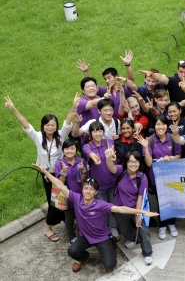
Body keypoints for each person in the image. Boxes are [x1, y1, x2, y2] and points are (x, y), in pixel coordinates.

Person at [31, 166, 158, 273]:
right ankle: (84, 258)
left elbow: (122, 209)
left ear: (95, 192)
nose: (88, 191)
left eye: (91, 189)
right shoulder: (75, 198)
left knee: (110, 266)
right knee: (72, 251)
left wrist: (142, 212)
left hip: (101, 236)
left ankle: (111, 241)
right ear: (82, 189)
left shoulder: (101, 205)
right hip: (85, 236)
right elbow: (59, 184)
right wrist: (45, 172)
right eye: (86, 188)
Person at [4, 94, 78, 242]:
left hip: (61, 174)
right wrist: (14, 109)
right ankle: (48, 228)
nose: (50, 127)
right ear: (43, 126)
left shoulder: (61, 136)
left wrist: (74, 105)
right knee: (54, 202)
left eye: (53, 124)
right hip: (47, 175)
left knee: (64, 199)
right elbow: (25, 124)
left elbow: (68, 122)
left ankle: (66, 221)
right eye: (47, 125)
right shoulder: (38, 137)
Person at [104, 149, 153, 266]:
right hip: (121, 209)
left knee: (143, 229)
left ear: (139, 163)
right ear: (126, 162)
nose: (133, 164)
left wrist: (138, 215)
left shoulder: (142, 177)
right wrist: (108, 157)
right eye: (130, 162)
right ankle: (134, 238)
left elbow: (140, 197)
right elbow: (111, 167)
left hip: (136, 207)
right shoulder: (121, 171)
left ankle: (147, 252)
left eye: (136, 162)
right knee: (125, 231)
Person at [141, 114, 182, 239]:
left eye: (163, 124)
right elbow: (148, 163)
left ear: (167, 126)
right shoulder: (149, 141)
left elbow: (179, 156)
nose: (161, 127)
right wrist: (145, 149)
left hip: (171, 177)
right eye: (158, 124)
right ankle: (162, 226)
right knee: (162, 201)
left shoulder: (172, 138)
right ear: (154, 126)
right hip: (157, 178)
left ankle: (172, 224)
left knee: (173, 200)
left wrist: (171, 157)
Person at [81, 121, 119, 239]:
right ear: (90, 133)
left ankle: (113, 227)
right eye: (95, 131)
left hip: (112, 182)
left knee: (112, 207)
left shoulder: (109, 142)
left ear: (103, 131)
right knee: (102, 209)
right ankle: (104, 229)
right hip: (98, 186)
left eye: (100, 130)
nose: (98, 133)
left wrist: (112, 156)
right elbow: (88, 153)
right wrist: (93, 156)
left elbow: (113, 154)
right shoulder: (87, 146)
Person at [54, 139, 87, 243]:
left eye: (72, 148)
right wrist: (63, 172)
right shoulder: (59, 163)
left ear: (76, 149)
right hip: (67, 196)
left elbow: (82, 180)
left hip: (80, 194)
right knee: (69, 219)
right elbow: (60, 183)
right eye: (67, 148)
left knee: (82, 216)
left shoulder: (81, 161)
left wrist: (84, 172)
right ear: (63, 150)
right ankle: (71, 237)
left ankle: (83, 234)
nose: (69, 151)